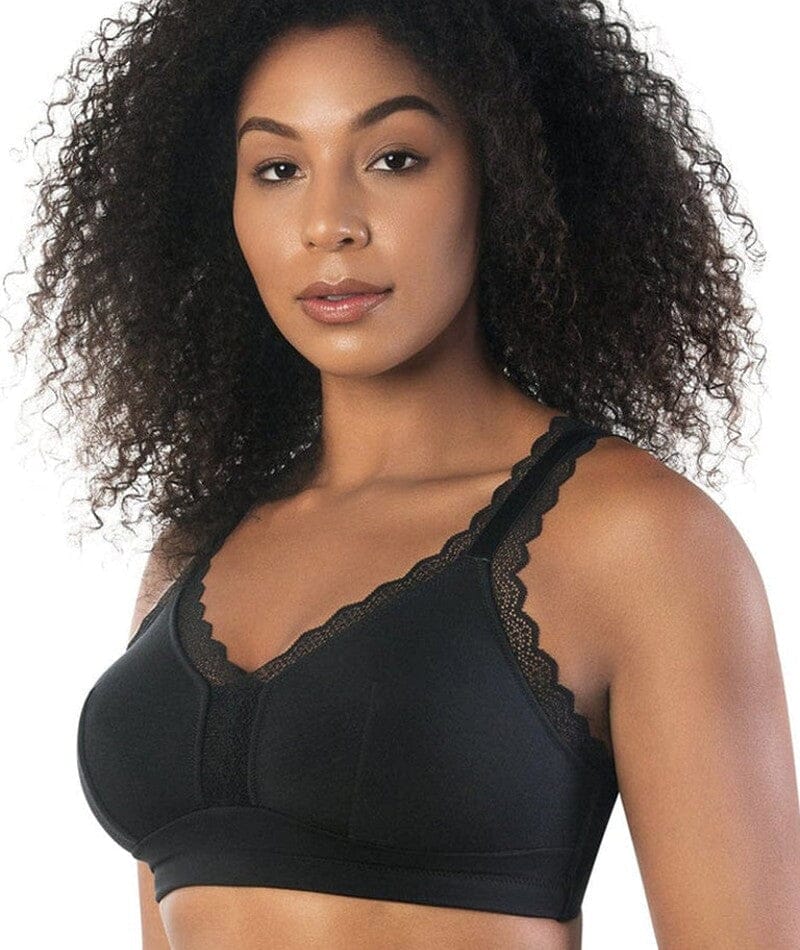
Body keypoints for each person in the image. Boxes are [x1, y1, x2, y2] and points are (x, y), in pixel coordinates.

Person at [9, 1, 799, 947]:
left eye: (394, 159)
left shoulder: (632, 534)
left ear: (503, 176)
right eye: (277, 169)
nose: (328, 224)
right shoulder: (192, 554)